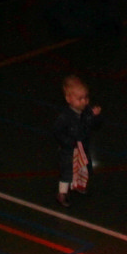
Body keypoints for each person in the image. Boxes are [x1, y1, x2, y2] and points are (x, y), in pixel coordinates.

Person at [54, 74, 102, 208]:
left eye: (86, 98)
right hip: (69, 149)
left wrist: (95, 117)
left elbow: (95, 126)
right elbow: (58, 132)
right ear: (69, 99)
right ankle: (62, 192)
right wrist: (68, 142)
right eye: (80, 99)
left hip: (82, 146)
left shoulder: (86, 112)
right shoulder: (65, 117)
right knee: (67, 170)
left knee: (82, 167)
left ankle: (78, 185)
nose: (84, 101)